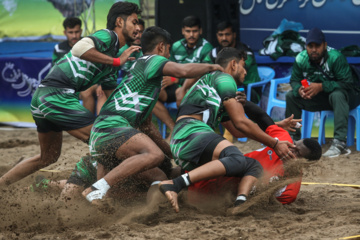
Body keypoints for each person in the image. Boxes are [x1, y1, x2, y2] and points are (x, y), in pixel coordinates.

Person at [0, 2, 142, 187]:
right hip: (56, 95)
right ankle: (98, 194)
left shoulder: (114, 57)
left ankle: (2, 185)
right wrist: (116, 61)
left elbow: (112, 98)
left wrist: (131, 118)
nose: (138, 28)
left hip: (44, 97)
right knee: (106, 142)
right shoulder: (108, 36)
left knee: (48, 157)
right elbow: (78, 49)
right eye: (134, 22)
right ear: (119, 22)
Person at [82, 26, 224, 203]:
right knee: (153, 155)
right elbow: (183, 71)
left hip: (105, 135)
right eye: (168, 51)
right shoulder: (152, 60)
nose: (169, 56)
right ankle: (96, 188)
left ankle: (101, 195)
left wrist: (172, 155)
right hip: (111, 127)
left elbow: (147, 127)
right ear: (161, 47)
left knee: (157, 175)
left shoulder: (145, 77)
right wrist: (213, 66)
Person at [158, 47, 296, 213]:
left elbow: (238, 130)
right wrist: (274, 143)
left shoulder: (214, 88)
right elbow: (241, 122)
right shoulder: (224, 78)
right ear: (233, 64)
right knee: (236, 158)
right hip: (190, 133)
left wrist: (274, 125)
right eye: (243, 66)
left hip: (187, 141)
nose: (245, 72)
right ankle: (175, 184)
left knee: (252, 166)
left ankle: (239, 204)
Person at [186, 101, 322, 206]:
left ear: (305, 163)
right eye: (294, 145)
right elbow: (262, 117)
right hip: (209, 171)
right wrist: (244, 102)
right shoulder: (283, 141)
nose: (291, 149)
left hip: (214, 197)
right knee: (175, 173)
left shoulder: (289, 190)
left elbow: (263, 205)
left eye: (297, 153)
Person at [285, 27, 360, 158]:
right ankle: (293, 139)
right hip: (322, 99)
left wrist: (321, 86)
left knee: (337, 94)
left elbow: (347, 84)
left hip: (347, 98)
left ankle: (339, 143)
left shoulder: (336, 57)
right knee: (291, 96)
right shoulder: (300, 59)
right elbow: (294, 80)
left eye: (317, 45)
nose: (314, 49)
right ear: (306, 46)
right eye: (310, 46)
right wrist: (299, 90)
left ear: (324, 45)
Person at [205, 21, 263, 143]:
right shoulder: (214, 53)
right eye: (221, 35)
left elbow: (239, 77)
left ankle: (229, 131)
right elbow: (207, 71)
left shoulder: (244, 53)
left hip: (249, 89)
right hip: (224, 89)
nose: (224, 38)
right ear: (216, 36)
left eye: (227, 34)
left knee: (229, 91)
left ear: (234, 35)